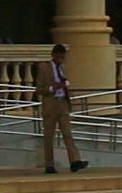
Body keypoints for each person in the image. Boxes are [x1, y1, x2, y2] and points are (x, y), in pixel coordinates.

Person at [34, 42, 87, 174]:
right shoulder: (44, 68)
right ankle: (49, 164)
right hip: (50, 104)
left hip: (62, 103)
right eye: (58, 57)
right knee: (49, 136)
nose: (60, 60)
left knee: (68, 134)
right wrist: (53, 88)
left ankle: (75, 161)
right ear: (53, 55)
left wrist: (67, 90)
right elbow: (39, 89)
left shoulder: (63, 68)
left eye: (62, 57)